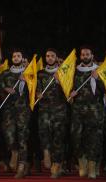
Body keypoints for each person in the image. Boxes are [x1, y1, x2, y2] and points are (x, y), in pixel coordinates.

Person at [69, 46, 105, 179]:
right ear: (80, 56)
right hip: (78, 111)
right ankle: (82, 162)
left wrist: (98, 79)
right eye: (83, 54)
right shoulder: (74, 71)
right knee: (76, 136)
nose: (85, 56)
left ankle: (92, 165)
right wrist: (70, 93)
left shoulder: (99, 70)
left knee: (94, 139)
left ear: (92, 55)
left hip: (95, 110)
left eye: (87, 54)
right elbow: (67, 87)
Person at [0, 49, 31, 178]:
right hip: (8, 109)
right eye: (14, 56)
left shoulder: (28, 73)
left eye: (19, 56)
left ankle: (22, 165)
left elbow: (35, 89)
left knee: (23, 137)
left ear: (22, 58)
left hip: (23, 109)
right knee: (9, 133)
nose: (16, 58)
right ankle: (14, 152)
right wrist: (6, 89)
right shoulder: (5, 73)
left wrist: (27, 80)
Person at [36, 48, 67, 178]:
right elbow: (36, 88)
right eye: (47, 56)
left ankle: (56, 166)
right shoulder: (40, 73)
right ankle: (46, 152)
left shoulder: (63, 73)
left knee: (58, 138)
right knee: (44, 133)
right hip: (44, 109)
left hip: (59, 110)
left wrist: (60, 81)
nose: (49, 58)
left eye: (52, 56)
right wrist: (37, 93)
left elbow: (69, 90)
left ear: (56, 57)